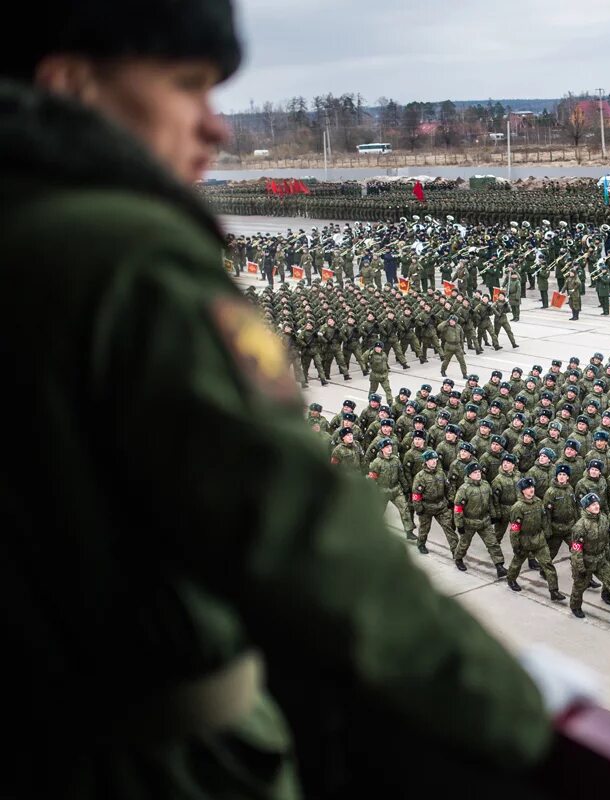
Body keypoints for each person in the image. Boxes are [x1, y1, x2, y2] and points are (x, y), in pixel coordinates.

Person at [0, 4, 552, 797]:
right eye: (186, 86)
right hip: (137, 762)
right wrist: (511, 710)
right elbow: (304, 536)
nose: (215, 127)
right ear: (68, 84)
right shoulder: (123, 254)